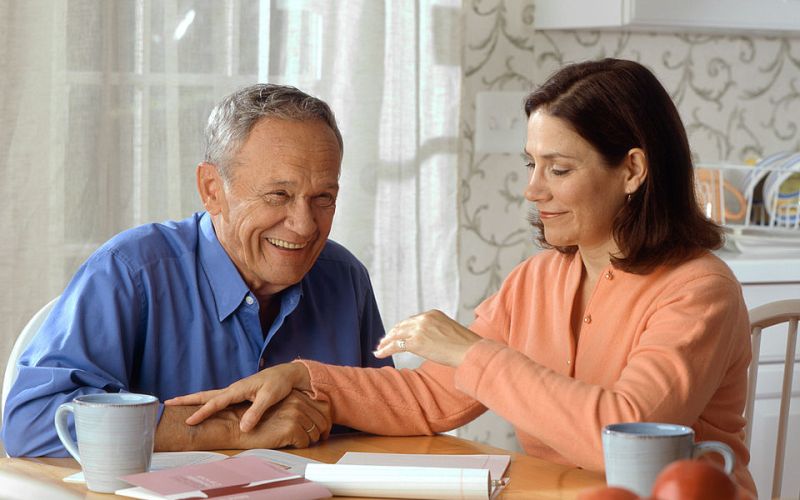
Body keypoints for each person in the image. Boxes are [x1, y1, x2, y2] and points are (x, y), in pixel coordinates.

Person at [169, 59, 758, 496]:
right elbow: (430, 398)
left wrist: (471, 351)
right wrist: (302, 375)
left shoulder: (698, 289)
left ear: (631, 170)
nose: (533, 189)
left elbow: (622, 438)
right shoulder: (539, 278)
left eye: (559, 168)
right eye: (532, 165)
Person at [1, 84, 393, 457]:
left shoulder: (346, 278)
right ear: (211, 190)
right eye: (279, 195)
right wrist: (231, 427)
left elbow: (394, 413)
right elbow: (32, 423)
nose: (305, 225)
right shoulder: (130, 272)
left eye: (323, 197)